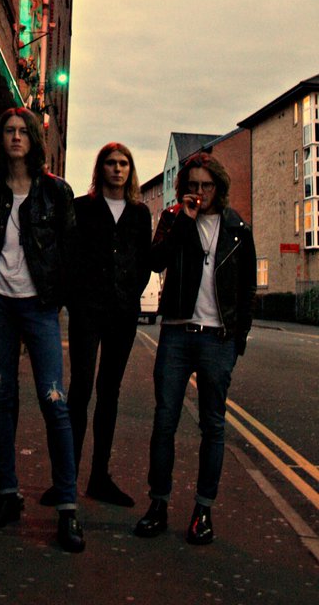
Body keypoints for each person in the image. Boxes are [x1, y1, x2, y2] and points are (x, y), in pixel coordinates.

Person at [0, 107, 85, 553]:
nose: (15, 137)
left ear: (34, 139)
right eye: (9, 132)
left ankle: (68, 508)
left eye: (23, 132)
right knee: (0, 394)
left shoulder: (57, 193)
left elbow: (70, 254)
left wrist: (58, 300)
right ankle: (6, 493)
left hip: (39, 305)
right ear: (1, 140)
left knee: (53, 400)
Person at [134, 152, 257, 545]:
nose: (199, 192)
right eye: (192, 186)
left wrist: (237, 340)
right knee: (164, 421)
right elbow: (156, 262)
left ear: (218, 186)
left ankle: (203, 511)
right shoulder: (172, 219)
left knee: (213, 427)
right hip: (175, 333)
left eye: (206, 185)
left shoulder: (237, 227)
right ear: (182, 188)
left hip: (217, 338)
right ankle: (158, 504)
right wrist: (183, 221)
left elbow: (247, 289)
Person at [41, 142, 151, 507]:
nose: (117, 169)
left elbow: (143, 262)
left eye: (123, 164)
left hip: (123, 312)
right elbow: (69, 255)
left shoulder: (140, 213)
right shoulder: (82, 208)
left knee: (110, 392)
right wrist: (75, 296)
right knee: (81, 389)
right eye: (110, 163)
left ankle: (99, 476)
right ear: (100, 168)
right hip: (87, 310)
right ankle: (65, 479)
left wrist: (131, 293)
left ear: (129, 170)